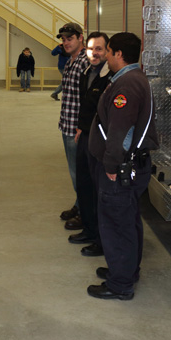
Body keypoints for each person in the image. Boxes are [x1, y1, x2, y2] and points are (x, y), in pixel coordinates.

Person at [87, 32, 159, 300]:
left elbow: (121, 131)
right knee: (128, 220)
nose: (104, 55)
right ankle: (126, 270)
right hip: (130, 166)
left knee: (117, 225)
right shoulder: (131, 79)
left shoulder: (127, 85)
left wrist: (111, 165)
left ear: (118, 54)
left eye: (108, 51)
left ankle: (120, 284)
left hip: (121, 168)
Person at [67, 32, 112, 258]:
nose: (94, 53)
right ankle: (89, 229)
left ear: (107, 52)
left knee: (97, 190)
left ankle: (100, 239)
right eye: (91, 49)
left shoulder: (110, 77)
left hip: (100, 140)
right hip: (85, 135)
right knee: (84, 184)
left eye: (99, 49)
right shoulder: (87, 73)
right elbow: (86, 106)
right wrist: (80, 128)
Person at [57, 22, 89, 230]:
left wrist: (82, 127)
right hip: (67, 125)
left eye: (70, 38)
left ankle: (86, 214)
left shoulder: (86, 62)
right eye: (63, 39)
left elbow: (88, 98)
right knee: (74, 171)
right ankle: (80, 205)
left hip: (77, 129)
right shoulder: (71, 61)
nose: (65, 42)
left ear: (80, 38)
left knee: (81, 173)